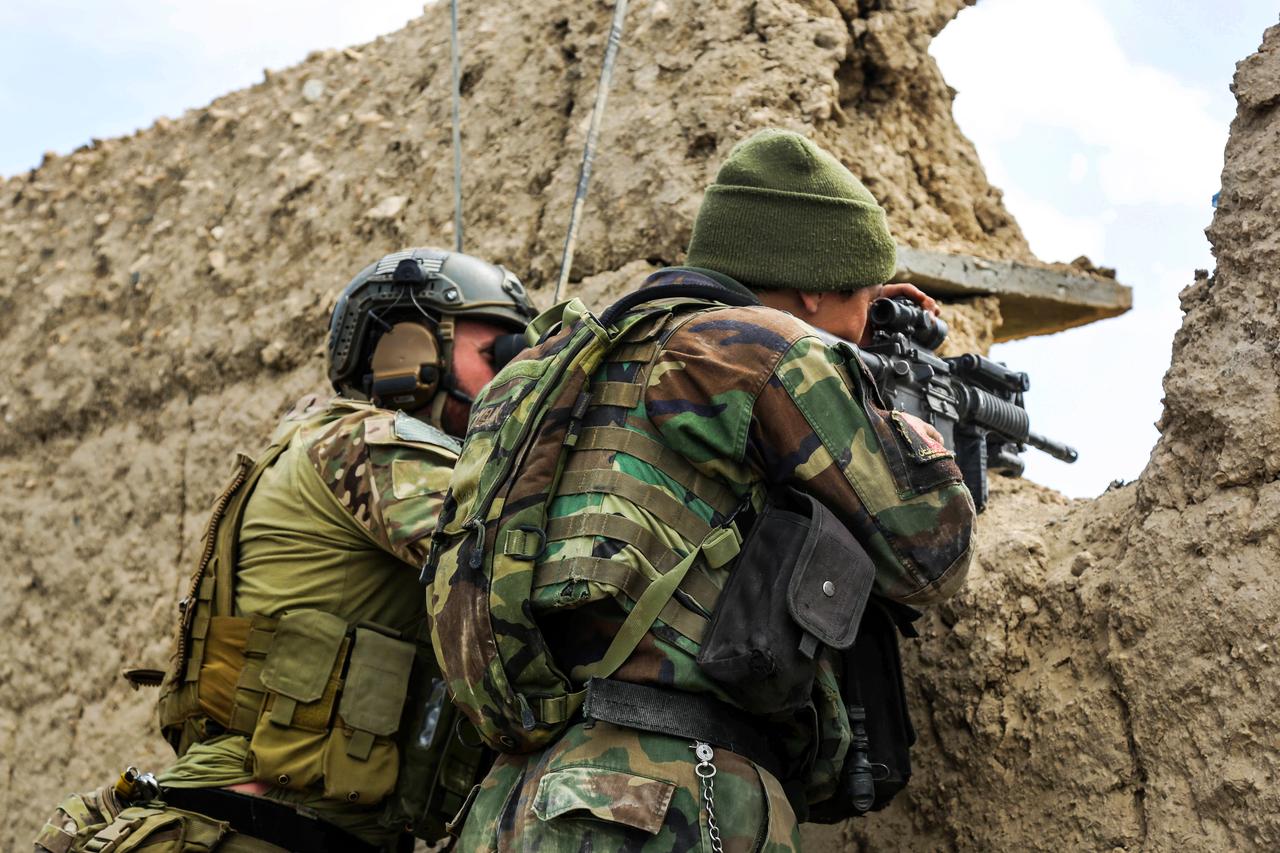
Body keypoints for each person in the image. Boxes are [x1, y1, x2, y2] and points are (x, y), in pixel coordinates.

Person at [432, 129, 977, 851]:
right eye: (864, 292)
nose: (865, 318)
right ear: (813, 284)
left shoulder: (553, 365)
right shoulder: (766, 349)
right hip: (670, 800)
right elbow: (932, 551)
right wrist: (903, 412)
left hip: (512, 799)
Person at [34, 248, 536, 853]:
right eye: (500, 356)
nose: (518, 375)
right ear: (408, 354)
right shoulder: (367, 444)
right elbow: (518, 564)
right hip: (252, 831)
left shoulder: (318, 445)